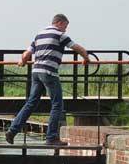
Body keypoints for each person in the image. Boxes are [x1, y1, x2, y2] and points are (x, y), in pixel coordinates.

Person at [5, 14, 91, 146]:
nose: (65, 30)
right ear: (60, 23)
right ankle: (51, 137)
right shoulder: (59, 35)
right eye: (65, 26)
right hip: (49, 72)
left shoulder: (39, 34)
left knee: (31, 103)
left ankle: (12, 131)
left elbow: (26, 54)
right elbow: (77, 47)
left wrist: (22, 62)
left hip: (36, 72)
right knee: (57, 104)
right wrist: (86, 58)